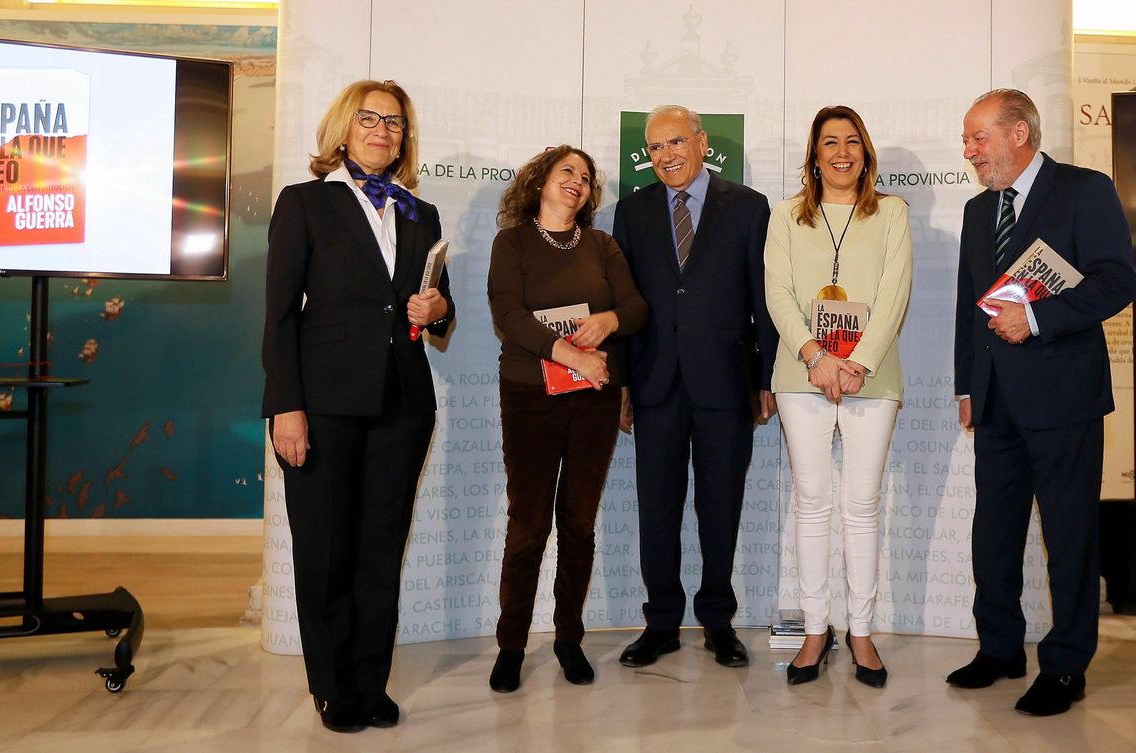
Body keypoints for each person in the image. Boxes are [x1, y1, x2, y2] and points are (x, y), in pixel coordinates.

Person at [262, 80, 453, 733]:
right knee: (325, 548)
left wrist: (437, 309)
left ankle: (370, 681)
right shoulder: (305, 203)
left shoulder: (419, 214)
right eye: (369, 119)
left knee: (380, 548)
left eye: (395, 122)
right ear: (345, 129)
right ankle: (331, 685)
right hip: (322, 404)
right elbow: (281, 315)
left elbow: (438, 309)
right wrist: (286, 406)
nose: (382, 130)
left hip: (403, 403)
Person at [949, 89, 1136, 716]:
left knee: (1070, 535)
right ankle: (1000, 648)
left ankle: (1065, 665)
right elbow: (966, 307)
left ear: (1021, 133)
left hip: (1064, 397)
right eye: (969, 140)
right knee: (993, 533)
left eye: (979, 138)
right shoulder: (979, 212)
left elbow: (1117, 280)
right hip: (996, 400)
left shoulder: (1085, 190)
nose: (969, 151)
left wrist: (1038, 317)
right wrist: (967, 384)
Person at [612, 105, 778, 669]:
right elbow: (626, 305)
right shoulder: (631, 213)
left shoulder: (750, 207)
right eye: (655, 148)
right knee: (657, 509)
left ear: (703, 143)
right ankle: (660, 622)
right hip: (655, 382)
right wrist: (624, 383)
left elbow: (764, 299)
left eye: (677, 142)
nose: (666, 156)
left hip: (727, 384)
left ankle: (717, 622)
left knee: (720, 506)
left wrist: (766, 378)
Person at [486, 145, 648, 692]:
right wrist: (567, 351)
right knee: (528, 525)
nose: (577, 182)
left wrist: (606, 320)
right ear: (539, 182)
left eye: (585, 176)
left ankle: (568, 639)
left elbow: (637, 309)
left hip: (595, 400)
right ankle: (511, 645)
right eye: (566, 172)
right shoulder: (512, 242)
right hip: (531, 397)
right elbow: (508, 315)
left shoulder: (602, 245)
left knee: (578, 523)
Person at [764, 105, 911, 688]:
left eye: (852, 142)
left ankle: (862, 632)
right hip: (803, 374)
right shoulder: (785, 216)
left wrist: (857, 363)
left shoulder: (892, 213)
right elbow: (777, 292)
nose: (842, 152)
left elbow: (894, 290)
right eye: (830, 142)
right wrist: (816, 356)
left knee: (862, 506)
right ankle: (816, 630)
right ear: (815, 153)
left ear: (866, 152)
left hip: (870, 378)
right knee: (812, 503)